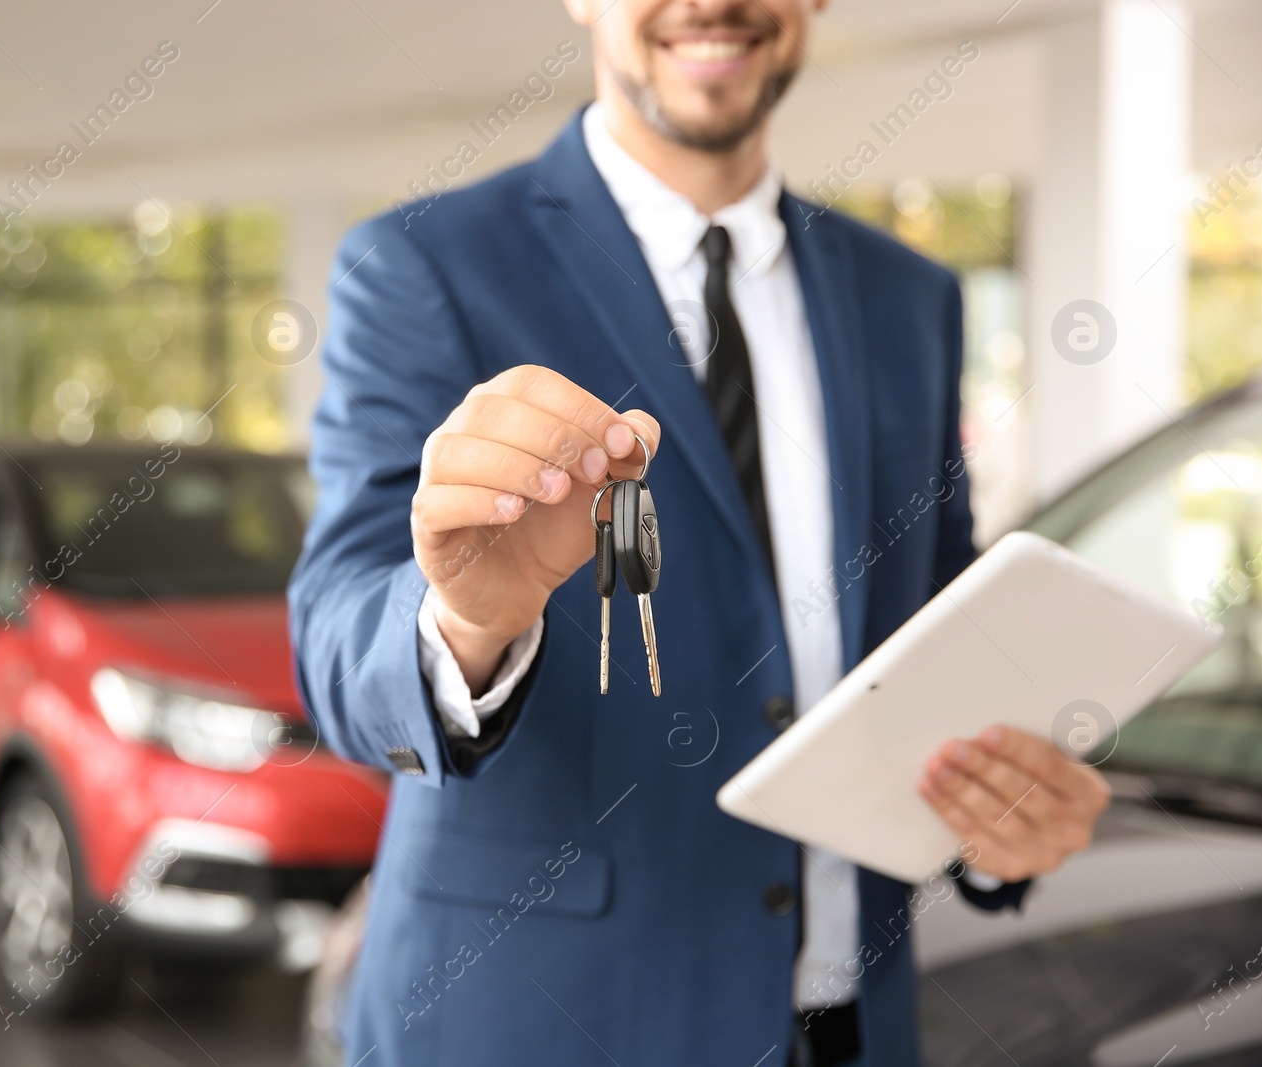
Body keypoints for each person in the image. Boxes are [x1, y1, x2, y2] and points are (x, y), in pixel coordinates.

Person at [288, 1, 1111, 1064]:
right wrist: (463, 621)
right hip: (539, 1023)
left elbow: (931, 647)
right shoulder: (423, 265)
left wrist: (996, 828)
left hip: (847, 1025)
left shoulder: (911, 299)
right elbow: (336, 648)